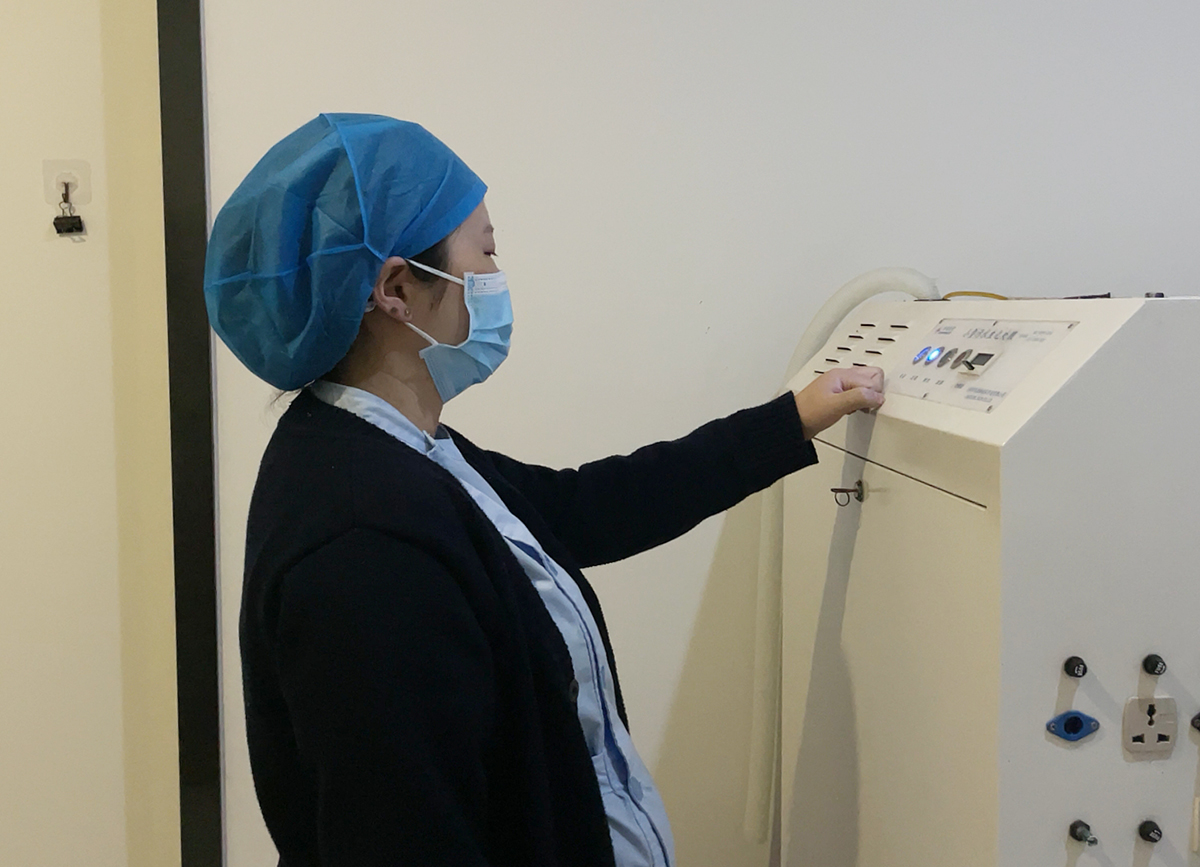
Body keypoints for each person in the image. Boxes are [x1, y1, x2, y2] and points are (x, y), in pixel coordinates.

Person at [204, 113, 884, 867]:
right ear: (396, 288)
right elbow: (406, 833)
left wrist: (792, 419)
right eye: (485, 251)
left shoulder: (398, 454)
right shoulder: (366, 543)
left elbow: (588, 508)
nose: (496, 277)